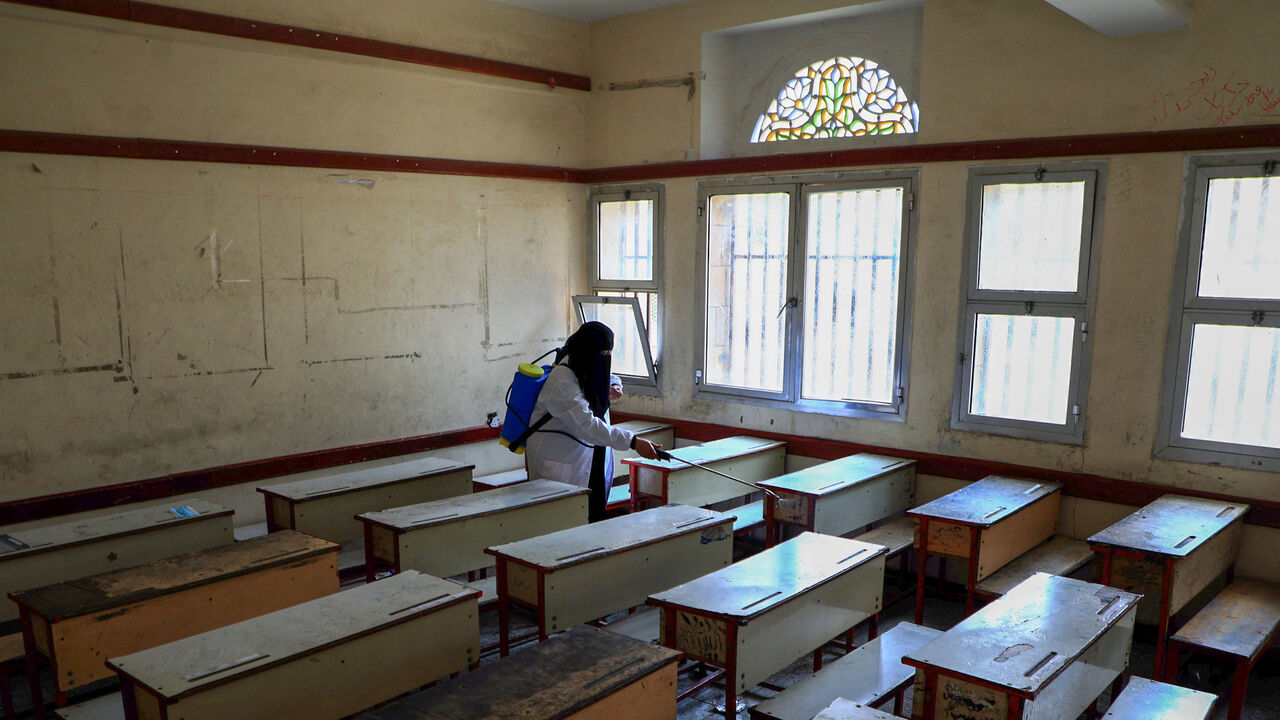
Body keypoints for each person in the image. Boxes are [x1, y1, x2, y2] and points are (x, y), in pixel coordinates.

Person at [525, 321, 661, 521]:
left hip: (593, 457)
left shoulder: (586, 366)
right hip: (562, 464)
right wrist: (633, 442)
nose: (605, 359)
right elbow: (587, 426)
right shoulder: (562, 379)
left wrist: (614, 385)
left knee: (593, 519)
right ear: (587, 350)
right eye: (602, 354)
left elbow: (608, 377)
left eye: (609, 354)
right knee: (562, 525)